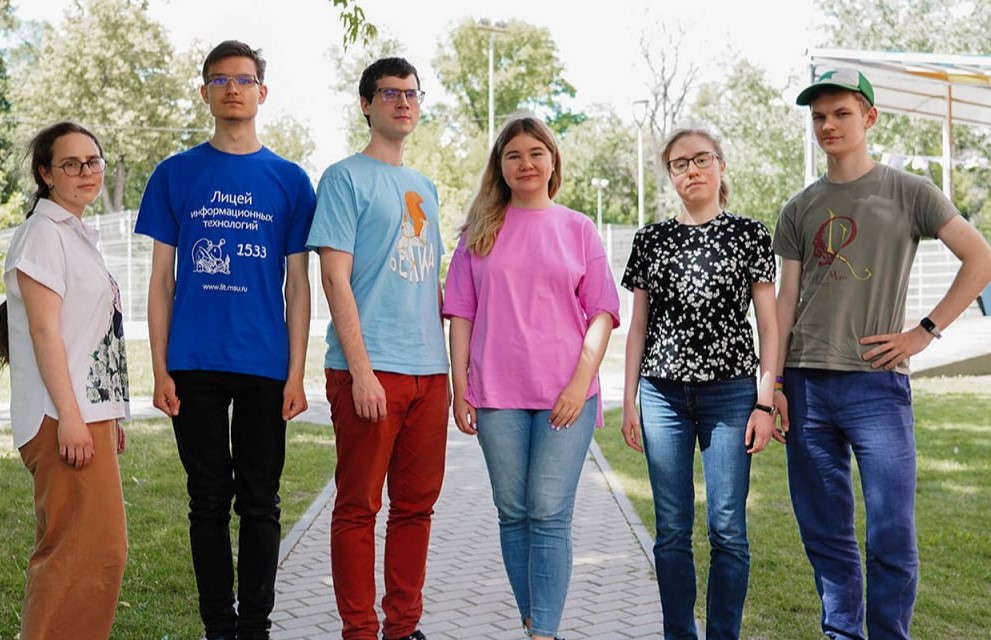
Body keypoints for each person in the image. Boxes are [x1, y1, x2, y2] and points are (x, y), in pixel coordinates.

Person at [774, 68, 991, 640]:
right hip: (804, 386)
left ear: (869, 118)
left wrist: (925, 331)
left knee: (891, 530)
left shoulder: (909, 191)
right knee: (825, 531)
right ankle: (843, 632)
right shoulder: (798, 208)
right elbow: (785, 300)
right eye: (819, 116)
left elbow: (981, 258)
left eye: (841, 113)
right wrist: (770, 384)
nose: (828, 125)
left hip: (876, 385)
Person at [134, 40, 315, 640]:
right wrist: (160, 369)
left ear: (262, 92)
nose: (232, 88)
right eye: (219, 78)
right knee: (206, 500)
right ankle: (219, 624)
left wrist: (296, 373)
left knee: (260, 502)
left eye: (243, 79)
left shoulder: (290, 180)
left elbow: (298, 285)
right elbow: (161, 281)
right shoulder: (174, 174)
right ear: (205, 91)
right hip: (193, 363)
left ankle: (256, 625)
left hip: (265, 365)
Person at [443, 115, 620, 640]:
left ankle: (543, 630)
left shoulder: (578, 228)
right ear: (500, 166)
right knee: (512, 510)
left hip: (567, 395)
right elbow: (461, 315)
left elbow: (603, 314)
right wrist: (459, 389)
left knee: (547, 512)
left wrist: (577, 382)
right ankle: (532, 617)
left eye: (535, 153)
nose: (526, 163)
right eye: (514, 155)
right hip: (496, 394)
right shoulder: (479, 233)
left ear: (552, 161)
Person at [306, 57, 448, 640]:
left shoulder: (425, 187)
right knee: (359, 508)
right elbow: (335, 278)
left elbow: (429, 283)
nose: (403, 103)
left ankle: (402, 627)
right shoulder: (343, 178)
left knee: (416, 509)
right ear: (366, 104)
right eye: (390, 93)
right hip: (368, 371)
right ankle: (360, 630)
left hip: (429, 373)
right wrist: (360, 372)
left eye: (412, 94)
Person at [619, 128, 779, 639]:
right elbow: (638, 327)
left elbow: (770, 327)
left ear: (721, 166)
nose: (692, 170)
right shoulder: (650, 240)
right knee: (671, 532)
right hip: (661, 395)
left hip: (732, 395)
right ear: (669, 175)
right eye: (680, 163)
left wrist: (765, 401)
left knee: (728, 529)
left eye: (701, 159)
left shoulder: (750, 235)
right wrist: (629, 402)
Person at [0, 121, 129, 639]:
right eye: (71, 164)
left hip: (84, 414)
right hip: (60, 416)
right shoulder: (43, 235)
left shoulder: (74, 234)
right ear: (45, 173)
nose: (86, 172)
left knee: (98, 553)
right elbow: (44, 332)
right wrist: (73, 419)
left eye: (93, 161)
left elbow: (92, 334)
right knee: (74, 554)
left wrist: (110, 413)